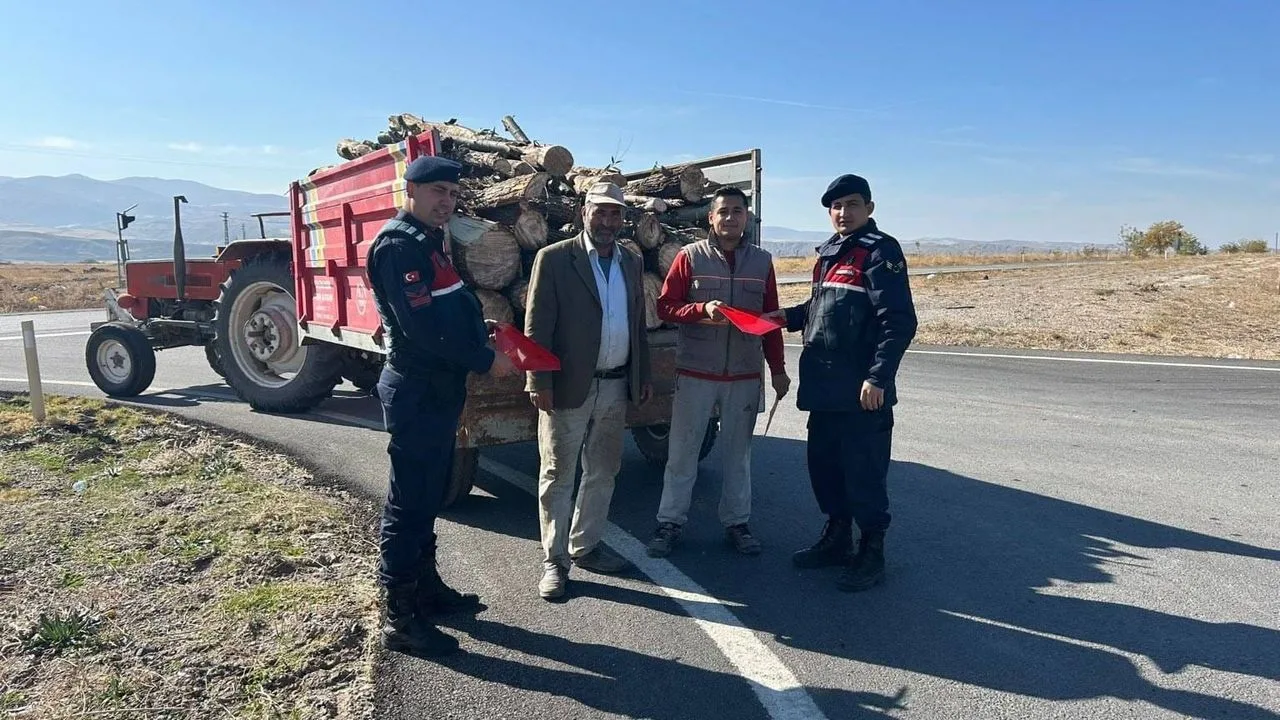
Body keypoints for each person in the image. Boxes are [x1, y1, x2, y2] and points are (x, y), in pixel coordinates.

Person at [366, 155, 518, 656]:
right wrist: (483, 357)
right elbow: (423, 330)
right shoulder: (398, 246)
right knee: (408, 504)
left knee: (427, 497)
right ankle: (400, 617)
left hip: (435, 390)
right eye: (437, 191)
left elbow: (446, 309)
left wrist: (481, 329)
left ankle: (426, 592)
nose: (446, 201)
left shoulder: (429, 243)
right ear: (410, 189)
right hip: (417, 389)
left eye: (453, 193)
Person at [775, 173, 917, 592]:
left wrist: (878, 377)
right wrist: (787, 317)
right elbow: (824, 307)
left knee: (864, 472)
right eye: (836, 206)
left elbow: (899, 322)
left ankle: (871, 552)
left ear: (869, 208)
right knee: (826, 469)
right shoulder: (831, 254)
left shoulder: (879, 252)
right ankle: (837, 539)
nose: (843, 212)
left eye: (852, 204)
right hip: (824, 387)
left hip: (861, 393)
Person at [524, 181, 653, 600]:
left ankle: (587, 546)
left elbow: (636, 325)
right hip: (567, 386)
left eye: (615, 214)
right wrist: (537, 380)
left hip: (615, 385)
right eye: (600, 212)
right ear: (583, 212)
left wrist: (642, 374)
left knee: (603, 471)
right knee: (558, 475)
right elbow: (537, 326)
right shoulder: (555, 259)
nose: (607, 221)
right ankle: (554, 561)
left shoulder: (631, 262)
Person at [645, 186, 790, 558]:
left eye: (737, 211)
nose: (730, 218)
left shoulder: (762, 262)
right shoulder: (689, 257)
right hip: (696, 372)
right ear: (710, 217)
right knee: (682, 452)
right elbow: (665, 307)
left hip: (743, 375)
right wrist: (699, 310)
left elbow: (771, 320)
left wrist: (777, 370)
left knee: (738, 455)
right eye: (722, 211)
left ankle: (737, 523)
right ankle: (670, 523)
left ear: (747, 217)